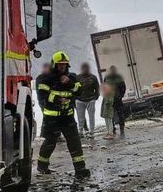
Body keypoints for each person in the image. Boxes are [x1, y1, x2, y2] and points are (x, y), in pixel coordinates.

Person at [35, 51, 90, 179]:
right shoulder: (44, 78)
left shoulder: (71, 77)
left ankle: (80, 169)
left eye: (64, 64)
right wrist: (58, 99)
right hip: (51, 117)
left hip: (68, 117)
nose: (62, 67)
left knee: (74, 142)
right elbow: (42, 94)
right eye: (60, 64)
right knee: (50, 143)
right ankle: (42, 166)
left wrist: (69, 83)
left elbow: (79, 90)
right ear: (54, 64)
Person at [74, 62, 100, 138]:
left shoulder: (93, 77)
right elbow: (74, 89)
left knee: (91, 116)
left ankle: (92, 131)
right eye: (84, 68)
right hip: (80, 100)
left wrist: (96, 97)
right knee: (80, 117)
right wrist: (75, 98)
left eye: (86, 68)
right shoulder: (77, 78)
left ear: (88, 69)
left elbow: (97, 88)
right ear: (82, 69)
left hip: (90, 100)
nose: (85, 69)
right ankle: (80, 131)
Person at [103, 65, 127, 138]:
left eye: (114, 70)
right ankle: (113, 130)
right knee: (111, 116)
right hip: (110, 100)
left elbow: (123, 87)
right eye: (112, 70)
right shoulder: (107, 78)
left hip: (118, 100)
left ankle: (122, 130)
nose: (113, 72)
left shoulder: (119, 78)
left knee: (120, 116)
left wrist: (121, 96)